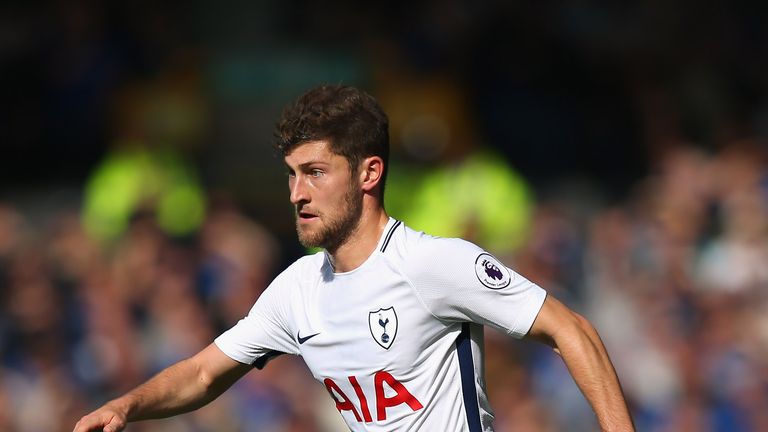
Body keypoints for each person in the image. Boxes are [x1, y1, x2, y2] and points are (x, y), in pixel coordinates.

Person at [73, 85, 634, 432]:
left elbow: (571, 329)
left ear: (369, 173)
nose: (296, 193)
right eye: (292, 175)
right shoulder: (298, 290)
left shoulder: (432, 264)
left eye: (315, 173)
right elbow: (201, 373)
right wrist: (127, 405)